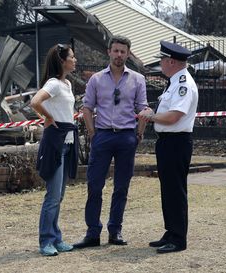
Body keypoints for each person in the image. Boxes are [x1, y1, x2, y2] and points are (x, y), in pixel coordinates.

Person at [72, 35, 149, 248]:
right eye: (115, 51)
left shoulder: (137, 79)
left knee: (121, 186)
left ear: (128, 54)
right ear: (109, 52)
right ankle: (92, 233)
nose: (119, 55)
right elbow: (87, 107)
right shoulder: (96, 79)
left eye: (123, 51)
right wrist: (92, 132)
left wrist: (139, 133)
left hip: (126, 136)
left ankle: (115, 231)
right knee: (95, 185)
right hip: (103, 136)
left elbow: (142, 108)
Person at [138, 41, 199, 254]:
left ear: (171, 61)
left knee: (175, 190)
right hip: (168, 142)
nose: (161, 64)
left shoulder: (183, 84)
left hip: (177, 141)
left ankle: (178, 238)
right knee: (168, 189)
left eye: (162, 60)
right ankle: (171, 232)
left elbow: (174, 116)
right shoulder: (174, 82)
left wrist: (151, 116)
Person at [30, 43, 78, 256]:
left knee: (59, 196)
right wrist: (48, 117)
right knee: (53, 196)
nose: (75, 60)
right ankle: (46, 241)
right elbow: (35, 101)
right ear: (62, 60)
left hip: (68, 144)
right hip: (55, 144)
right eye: (72, 57)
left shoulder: (66, 84)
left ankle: (56, 237)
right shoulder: (54, 84)